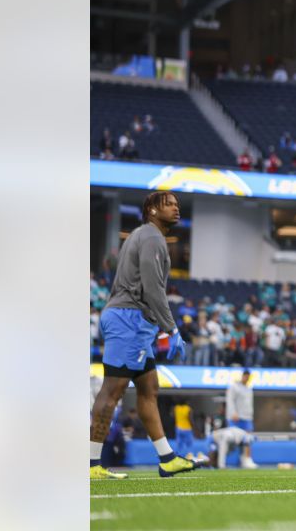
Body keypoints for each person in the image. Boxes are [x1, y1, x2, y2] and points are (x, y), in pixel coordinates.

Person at [89, 191, 196, 479]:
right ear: (151, 210)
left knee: (149, 389)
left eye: (177, 204)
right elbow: (152, 287)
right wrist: (172, 327)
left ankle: (167, 458)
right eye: (169, 204)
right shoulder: (151, 237)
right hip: (129, 321)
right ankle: (90, 465)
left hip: (133, 321)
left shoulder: (144, 235)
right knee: (112, 390)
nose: (176, 209)